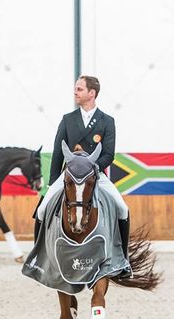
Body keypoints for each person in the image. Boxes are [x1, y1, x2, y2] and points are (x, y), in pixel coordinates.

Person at [36, 75, 130, 258]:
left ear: (92, 93)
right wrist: (52, 183)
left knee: (122, 208)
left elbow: (109, 154)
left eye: (79, 89)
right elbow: (57, 153)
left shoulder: (106, 121)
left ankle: (123, 258)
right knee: (41, 209)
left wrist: (93, 168)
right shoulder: (68, 119)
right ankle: (38, 258)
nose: (75, 92)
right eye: (75, 88)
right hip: (69, 175)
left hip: (95, 174)